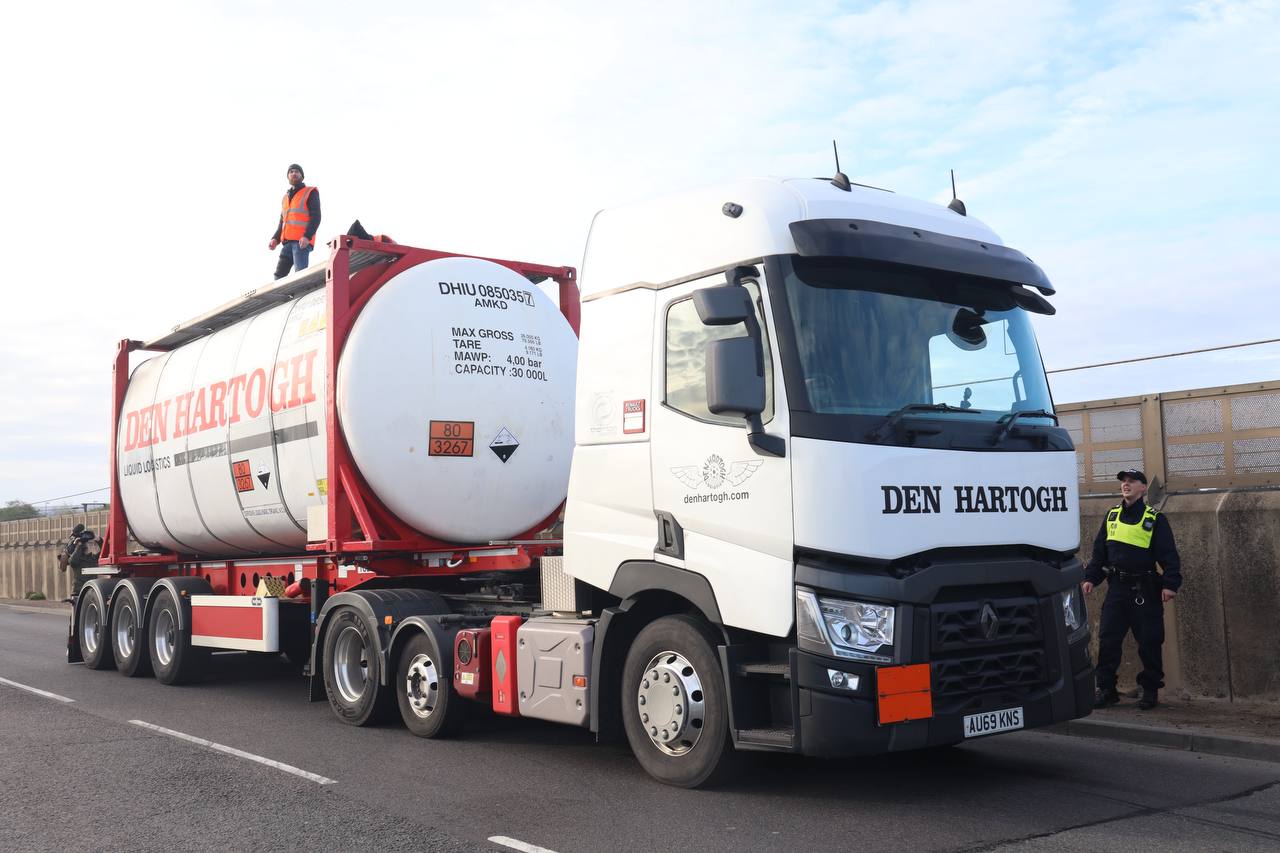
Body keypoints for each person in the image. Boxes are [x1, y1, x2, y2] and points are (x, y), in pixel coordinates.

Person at [1083, 469, 1182, 710]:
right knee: (1108, 640)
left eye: (1132, 482)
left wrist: (1170, 584)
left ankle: (1150, 691)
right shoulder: (1112, 516)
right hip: (1117, 588)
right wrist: (1090, 578)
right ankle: (1106, 689)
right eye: (1123, 482)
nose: (1126, 485)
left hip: (1144, 589)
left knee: (1149, 641)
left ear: (1143, 488)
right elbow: (1100, 555)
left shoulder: (1154, 519)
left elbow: (1169, 556)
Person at [268, 163, 321, 279]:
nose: (294, 174)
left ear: (302, 176)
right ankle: (281, 298)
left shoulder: (310, 192)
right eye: (291, 172)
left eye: (297, 171)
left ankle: (303, 294)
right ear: (288, 177)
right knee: (278, 277)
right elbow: (282, 222)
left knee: (300, 275)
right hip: (286, 244)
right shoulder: (285, 198)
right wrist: (275, 239)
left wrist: (307, 236)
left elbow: (316, 217)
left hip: (301, 243)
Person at [57, 523, 101, 602]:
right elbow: (73, 561)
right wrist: (79, 545)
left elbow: (103, 552)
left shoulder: (93, 558)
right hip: (79, 591)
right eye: (87, 545)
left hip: (91, 590)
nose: (87, 546)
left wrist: (98, 539)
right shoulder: (76, 560)